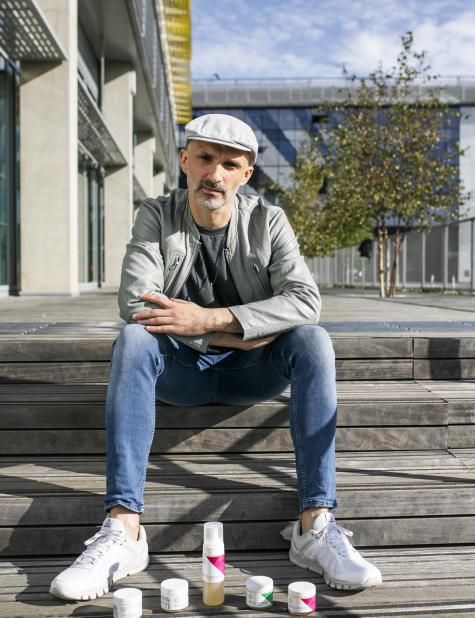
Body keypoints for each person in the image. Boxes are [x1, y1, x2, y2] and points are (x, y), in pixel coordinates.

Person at [49, 113, 382, 601]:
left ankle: (315, 525)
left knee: (313, 340)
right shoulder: (156, 214)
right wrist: (238, 334)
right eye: (205, 158)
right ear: (184, 160)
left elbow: (305, 302)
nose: (216, 174)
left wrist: (205, 321)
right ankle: (124, 531)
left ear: (246, 175)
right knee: (134, 340)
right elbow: (137, 304)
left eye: (230, 164)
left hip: (254, 374)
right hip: (179, 375)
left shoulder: (269, 220)